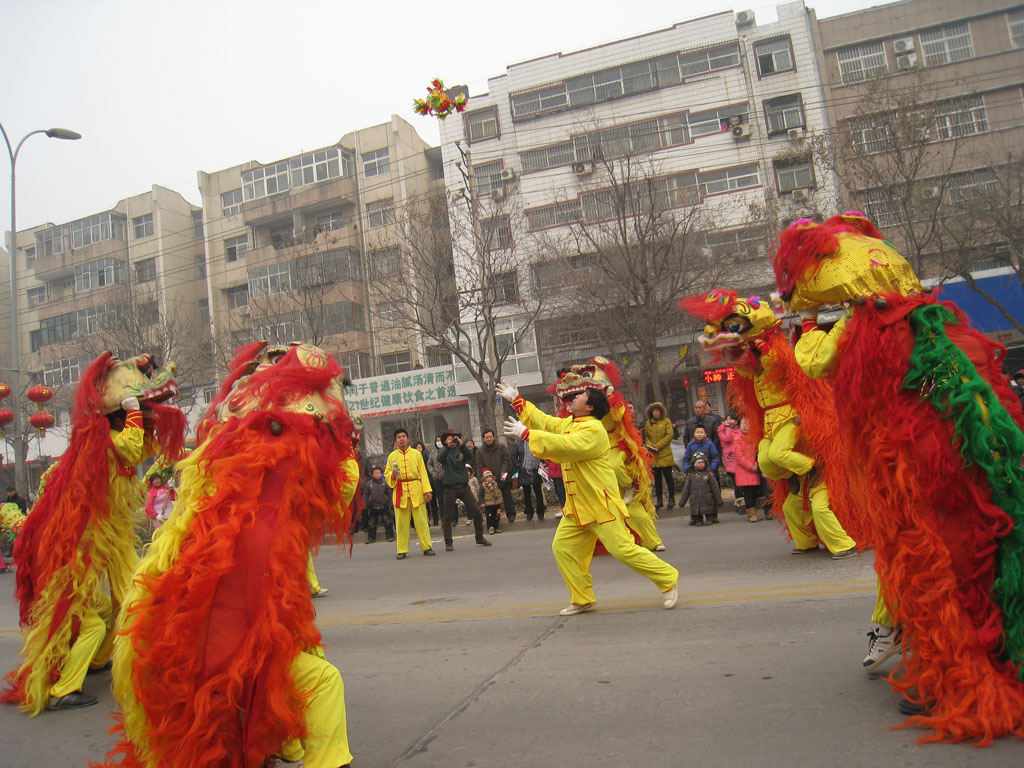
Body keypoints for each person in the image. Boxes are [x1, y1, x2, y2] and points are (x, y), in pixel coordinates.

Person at [2, 352, 185, 716]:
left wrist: (142, 414)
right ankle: (65, 687)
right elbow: (133, 447)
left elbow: (143, 448)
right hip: (83, 544)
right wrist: (135, 411)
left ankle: (107, 661)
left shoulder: (106, 442)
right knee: (95, 622)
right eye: (131, 412)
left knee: (124, 598)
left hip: (106, 535)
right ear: (116, 414)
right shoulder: (102, 442)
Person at [499, 379, 679, 616]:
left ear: (591, 406)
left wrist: (527, 434)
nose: (575, 396)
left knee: (623, 549)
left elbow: (567, 446)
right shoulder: (571, 423)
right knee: (562, 547)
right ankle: (582, 598)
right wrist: (517, 401)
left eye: (582, 394)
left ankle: (668, 579)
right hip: (577, 505)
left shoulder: (594, 430)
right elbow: (546, 422)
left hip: (599, 503)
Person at [436, 430, 491, 552]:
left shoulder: (461, 449)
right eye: (449, 438)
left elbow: (470, 456)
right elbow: (439, 458)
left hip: (464, 486)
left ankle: (480, 536)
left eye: (454, 438)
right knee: (448, 516)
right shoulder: (443, 451)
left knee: (476, 511)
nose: (452, 440)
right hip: (450, 487)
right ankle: (448, 542)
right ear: (445, 441)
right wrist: (448, 447)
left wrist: (461, 445)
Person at [385, 428, 436, 560]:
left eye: (403, 436)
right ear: (396, 440)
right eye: (398, 437)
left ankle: (427, 547)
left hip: (416, 489)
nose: (401, 439)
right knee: (401, 524)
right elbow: (387, 475)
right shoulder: (392, 456)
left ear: (408, 439)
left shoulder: (416, 454)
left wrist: (427, 490)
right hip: (400, 491)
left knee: (422, 522)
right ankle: (401, 550)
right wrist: (393, 475)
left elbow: (423, 473)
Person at [477, 429, 517, 523]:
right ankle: (494, 519)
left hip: (504, 477)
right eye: (487, 437)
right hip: (490, 479)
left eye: (490, 437)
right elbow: (479, 466)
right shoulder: (480, 451)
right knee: (492, 500)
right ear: (483, 439)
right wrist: (481, 480)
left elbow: (506, 460)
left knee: (507, 496)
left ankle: (511, 514)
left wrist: (503, 471)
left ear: (493, 437)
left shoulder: (501, 447)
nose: (489, 439)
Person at [643, 402, 675, 509]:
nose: (656, 413)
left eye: (657, 410)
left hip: (665, 454)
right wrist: (649, 445)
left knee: (668, 477)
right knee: (657, 480)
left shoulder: (666, 422)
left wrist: (657, 446)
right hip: (654, 456)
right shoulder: (648, 423)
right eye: (654, 411)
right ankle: (659, 500)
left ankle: (671, 498)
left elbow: (669, 436)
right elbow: (646, 436)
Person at [678, 451, 722, 526]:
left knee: (708, 509)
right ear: (694, 465)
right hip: (695, 499)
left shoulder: (708, 475)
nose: (701, 464)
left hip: (707, 498)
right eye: (698, 463)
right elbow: (686, 490)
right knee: (697, 510)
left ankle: (709, 518)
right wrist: (682, 502)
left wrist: (719, 500)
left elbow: (714, 488)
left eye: (702, 463)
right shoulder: (691, 476)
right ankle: (698, 520)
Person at [732, 418, 762, 523]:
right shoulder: (737, 439)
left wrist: (756, 465)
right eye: (742, 424)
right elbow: (739, 456)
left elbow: (759, 452)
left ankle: (754, 512)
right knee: (748, 492)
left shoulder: (754, 438)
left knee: (755, 492)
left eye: (747, 424)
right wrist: (750, 466)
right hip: (744, 470)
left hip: (754, 468)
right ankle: (751, 514)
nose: (745, 426)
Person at [361, 466, 395, 544]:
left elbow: (390, 494)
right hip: (373, 506)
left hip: (384, 506)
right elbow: (365, 495)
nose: (378, 475)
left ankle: (390, 536)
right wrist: (364, 505)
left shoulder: (385, 483)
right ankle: (371, 538)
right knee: (372, 523)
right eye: (376, 473)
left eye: (379, 473)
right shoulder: (369, 484)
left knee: (388, 522)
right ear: (372, 475)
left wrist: (391, 504)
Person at [518, 441, 546, 522]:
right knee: (526, 493)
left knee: (538, 491)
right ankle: (529, 512)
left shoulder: (536, 442)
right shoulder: (519, 443)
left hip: (536, 470)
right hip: (524, 471)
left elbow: (542, 453)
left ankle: (540, 511)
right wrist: (519, 466)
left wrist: (542, 463)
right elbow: (513, 456)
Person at [426, 436, 445, 526]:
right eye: (437, 440)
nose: (439, 442)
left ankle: (452, 518)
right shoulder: (433, 452)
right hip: (437, 479)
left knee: (449, 499)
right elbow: (429, 464)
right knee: (440, 500)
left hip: (447, 478)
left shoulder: (448, 450)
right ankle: (443, 518)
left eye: (440, 440)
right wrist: (433, 472)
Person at [481, 469, 503, 534]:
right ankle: (490, 528)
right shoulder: (483, 486)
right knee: (489, 516)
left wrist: (499, 499)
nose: (489, 479)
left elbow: (498, 493)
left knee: (497, 515)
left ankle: (496, 527)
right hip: (488, 504)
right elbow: (480, 495)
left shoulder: (495, 484)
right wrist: (481, 502)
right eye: (487, 478)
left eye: (490, 477)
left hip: (496, 503)